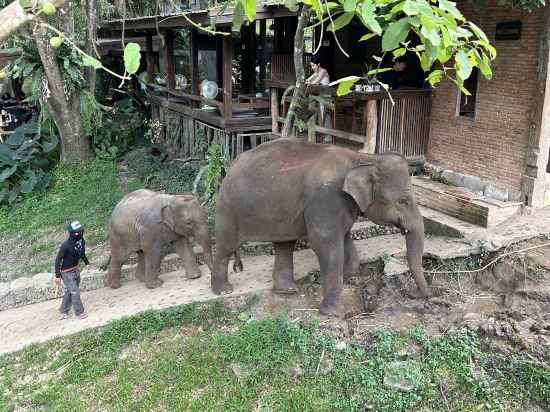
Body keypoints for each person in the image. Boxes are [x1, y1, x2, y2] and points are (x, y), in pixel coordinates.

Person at [54, 221, 91, 320]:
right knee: (75, 291)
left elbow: (82, 253)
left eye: (82, 230)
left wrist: (87, 262)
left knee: (71, 290)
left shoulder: (81, 241)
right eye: (78, 231)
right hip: (66, 273)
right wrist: (57, 276)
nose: (81, 232)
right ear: (72, 233)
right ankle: (79, 312)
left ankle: (64, 310)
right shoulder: (66, 245)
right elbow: (58, 260)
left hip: (75, 269)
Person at [305, 56, 333, 143]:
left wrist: (310, 82)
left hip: (326, 97)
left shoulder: (323, 71)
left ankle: (329, 137)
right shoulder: (316, 72)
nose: (312, 68)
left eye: (313, 66)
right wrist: (309, 81)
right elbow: (307, 80)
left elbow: (314, 82)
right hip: (319, 96)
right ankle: (323, 135)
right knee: (319, 116)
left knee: (325, 116)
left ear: (318, 64)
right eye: (311, 66)